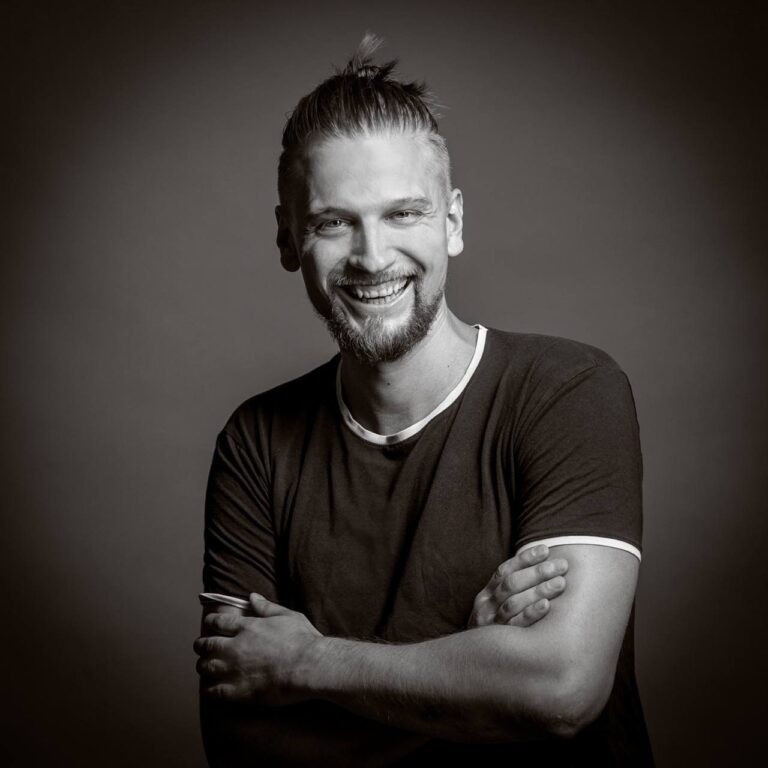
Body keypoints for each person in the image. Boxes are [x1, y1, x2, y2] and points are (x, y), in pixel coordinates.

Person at [194, 35, 654, 766]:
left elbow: (562, 690)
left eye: (403, 213)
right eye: (333, 222)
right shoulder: (256, 443)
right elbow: (240, 738)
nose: (373, 257)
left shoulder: (567, 391)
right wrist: (472, 654)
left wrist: (309, 662)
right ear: (287, 238)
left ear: (453, 222)